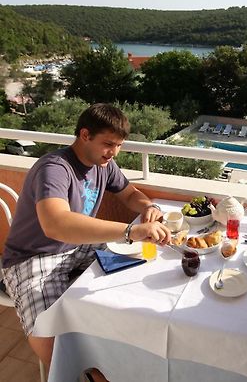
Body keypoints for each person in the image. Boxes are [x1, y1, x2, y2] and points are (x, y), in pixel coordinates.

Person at [2, 104, 171, 381]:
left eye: (118, 145)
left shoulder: (103, 164)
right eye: (108, 144)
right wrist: (131, 231)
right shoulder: (55, 168)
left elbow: (129, 193)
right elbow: (56, 224)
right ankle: (86, 375)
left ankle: (123, 345)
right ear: (84, 135)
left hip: (76, 248)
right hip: (32, 257)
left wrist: (147, 205)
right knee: (53, 337)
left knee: (140, 266)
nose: (113, 152)